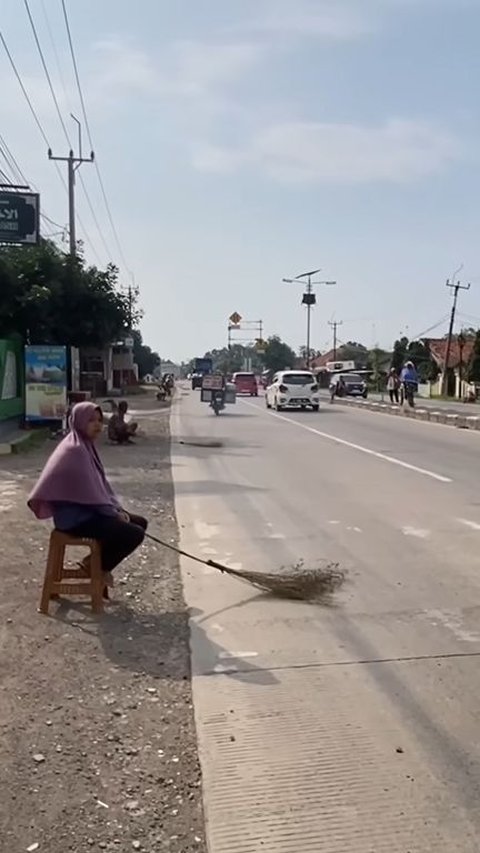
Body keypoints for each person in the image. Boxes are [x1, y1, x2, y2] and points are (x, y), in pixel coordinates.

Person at [28, 402, 147, 588]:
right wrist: (114, 514)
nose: (97, 425)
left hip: (87, 511)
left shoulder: (83, 445)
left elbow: (99, 489)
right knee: (134, 533)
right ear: (79, 421)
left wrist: (116, 509)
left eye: (99, 420)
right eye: (91, 420)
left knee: (139, 522)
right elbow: (92, 496)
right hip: (75, 519)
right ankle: (97, 567)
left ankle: (93, 564)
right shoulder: (75, 450)